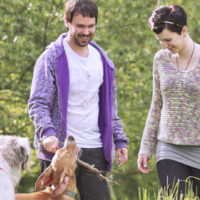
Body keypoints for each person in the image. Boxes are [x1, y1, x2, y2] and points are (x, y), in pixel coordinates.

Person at [28, 0, 129, 199]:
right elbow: (38, 102)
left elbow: (110, 108)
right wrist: (47, 133)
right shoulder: (51, 57)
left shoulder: (103, 61)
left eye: (91, 26)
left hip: (94, 149)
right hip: (59, 152)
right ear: (67, 22)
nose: (86, 32)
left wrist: (119, 140)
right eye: (80, 26)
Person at [137, 4, 200, 199]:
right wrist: (146, 147)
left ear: (183, 30)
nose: (164, 45)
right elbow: (156, 104)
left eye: (168, 40)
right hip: (169, 148)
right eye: (160, 41)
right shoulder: (160, 59)